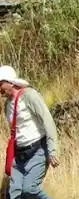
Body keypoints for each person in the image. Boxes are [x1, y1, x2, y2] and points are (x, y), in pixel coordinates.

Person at [0, 66, 58, 199]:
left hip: (37, 150)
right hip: (19, 155)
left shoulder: (30, 96)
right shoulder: (7, 105)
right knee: (13, 194)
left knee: (30, 189)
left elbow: (47, 121)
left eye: (0, 84)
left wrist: (53, 149)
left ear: (10, 82)